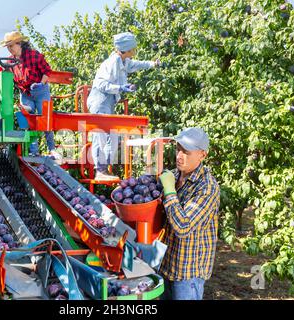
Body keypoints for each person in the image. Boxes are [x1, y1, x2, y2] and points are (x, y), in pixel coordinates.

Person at [87, 32, 161, 180]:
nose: (134, 51)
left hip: (109, 101)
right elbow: (101, 84)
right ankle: (100, 170)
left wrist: (153, 64)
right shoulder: (112, 62)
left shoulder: (123, 61)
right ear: (126, 49)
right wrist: (120, 87)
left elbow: (136, 64)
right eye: (133, 49)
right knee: (100, 134)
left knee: (112, 135)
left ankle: (104, 170)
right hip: (100, 100)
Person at [158, 127, 220, 300]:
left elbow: (183, 227)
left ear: (202, 155)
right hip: (166, 266)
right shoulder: (175, 175)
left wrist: (169, 191)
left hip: (188, 273)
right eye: (178, 149)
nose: (179, 156)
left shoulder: (206, 187)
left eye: (186, 151)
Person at [0, 31, 61, 160]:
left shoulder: (34, 55)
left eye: (11, 46)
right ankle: (34, 151)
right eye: (8, 47)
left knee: (45, 119)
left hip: (40, 90)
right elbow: (5, 79)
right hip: (25, 93)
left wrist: (41, 83)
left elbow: (46, 70)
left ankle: (52, 149)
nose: (10, 49)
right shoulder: (11, 62)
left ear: (20, 44)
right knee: (28, 119)